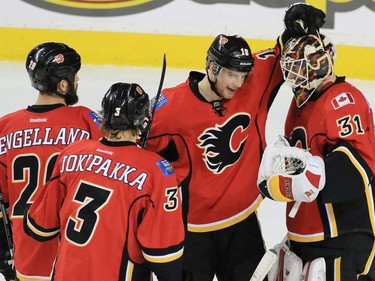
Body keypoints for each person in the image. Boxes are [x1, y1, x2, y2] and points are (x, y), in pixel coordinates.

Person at [144, 3, 326, 280]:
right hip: (191, 229)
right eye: (231, 74)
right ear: (212, 68)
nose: (239, 84)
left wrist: (295, 25)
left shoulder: (253, 80)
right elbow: (127, 139)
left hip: (242, 222)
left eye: (243, 75)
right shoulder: (170, 107)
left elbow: (281, 52)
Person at [24, 82, 185, 281]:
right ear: (143, 121)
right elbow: (163, 257)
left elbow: (39, 228)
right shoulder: (157, 171)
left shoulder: (72, 153)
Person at [258, 33, 375, 280]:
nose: (292, 78)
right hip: (307, 236)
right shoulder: (301, 103)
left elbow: (358, 168)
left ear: (318, 64)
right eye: (290, 70)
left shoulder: (343, 99)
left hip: (343, 236)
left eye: (299, 69)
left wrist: (302, 182)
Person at [0, 42, 103, 281]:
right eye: (74, 76)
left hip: (26, 253)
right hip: (75, 245)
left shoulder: (5, 126)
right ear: (63, 84)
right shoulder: (85, 120)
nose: (77, 81)